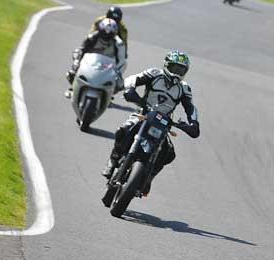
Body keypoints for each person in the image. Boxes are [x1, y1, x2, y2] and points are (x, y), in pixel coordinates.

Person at [101, 50, 200, 193]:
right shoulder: (154, 74)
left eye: (181, 70)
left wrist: (194, 123)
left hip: (164, 124)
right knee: (122, 130)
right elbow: (133, 79)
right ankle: (113, 160)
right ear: (166, 65)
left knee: (169, 153)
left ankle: (148, 178)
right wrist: (130, 90)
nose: (176, 73)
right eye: (174, 68)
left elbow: (190, 107)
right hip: (142, 115)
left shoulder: (184, 88)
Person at [65, 18, 123, 99]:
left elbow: (121, 59)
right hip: (89, 63)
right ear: (100, 30)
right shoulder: (92, 37)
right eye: (104, 33)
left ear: (114, 34)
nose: (106, 37)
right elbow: (81, 49)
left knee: (120, 84)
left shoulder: (118, 43)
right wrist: (77, 61)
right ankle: (73, 88)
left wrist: (117, 70)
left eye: (110, 35)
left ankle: (108, 95)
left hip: (107, 67)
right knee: (71, 72)